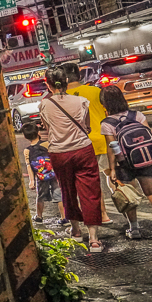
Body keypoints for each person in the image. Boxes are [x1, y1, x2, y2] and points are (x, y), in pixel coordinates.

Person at [39, 66, 103, 252]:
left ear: (48, 84)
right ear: (66, 81)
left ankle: (76, 230)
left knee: (67, 190)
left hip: (59, 153)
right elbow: (87, 127)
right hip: (83, 150)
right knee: (90, 192)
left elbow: (47, 128)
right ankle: (94, 239)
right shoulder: (81, 101)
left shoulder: (44, 104)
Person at [66, 62, 118, 224]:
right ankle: (127, 206)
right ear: (79, 76)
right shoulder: (96, 91)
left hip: (82, 145)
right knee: (114, 176)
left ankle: (103, 215)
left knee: (91, 183)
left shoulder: (63, 98)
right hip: (104, 140)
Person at [99, 85, 150, 240]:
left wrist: (112, 169)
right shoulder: (137, 115)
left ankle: (134, 229)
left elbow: (112, 147)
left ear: (105, 104)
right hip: (144, 159)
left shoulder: (107, 123)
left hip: (124, 164)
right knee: (150, 192)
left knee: (129, 196)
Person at [20, 122, 62, 225]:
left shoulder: (27, 150)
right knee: (58, 194)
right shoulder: (47, 144)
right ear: (38, 133)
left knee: (40, 196)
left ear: (25, 137)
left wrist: (31, 181)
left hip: (41, 177)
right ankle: (64, 217)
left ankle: (39, 216)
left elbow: (29, 166)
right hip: (53, 174)